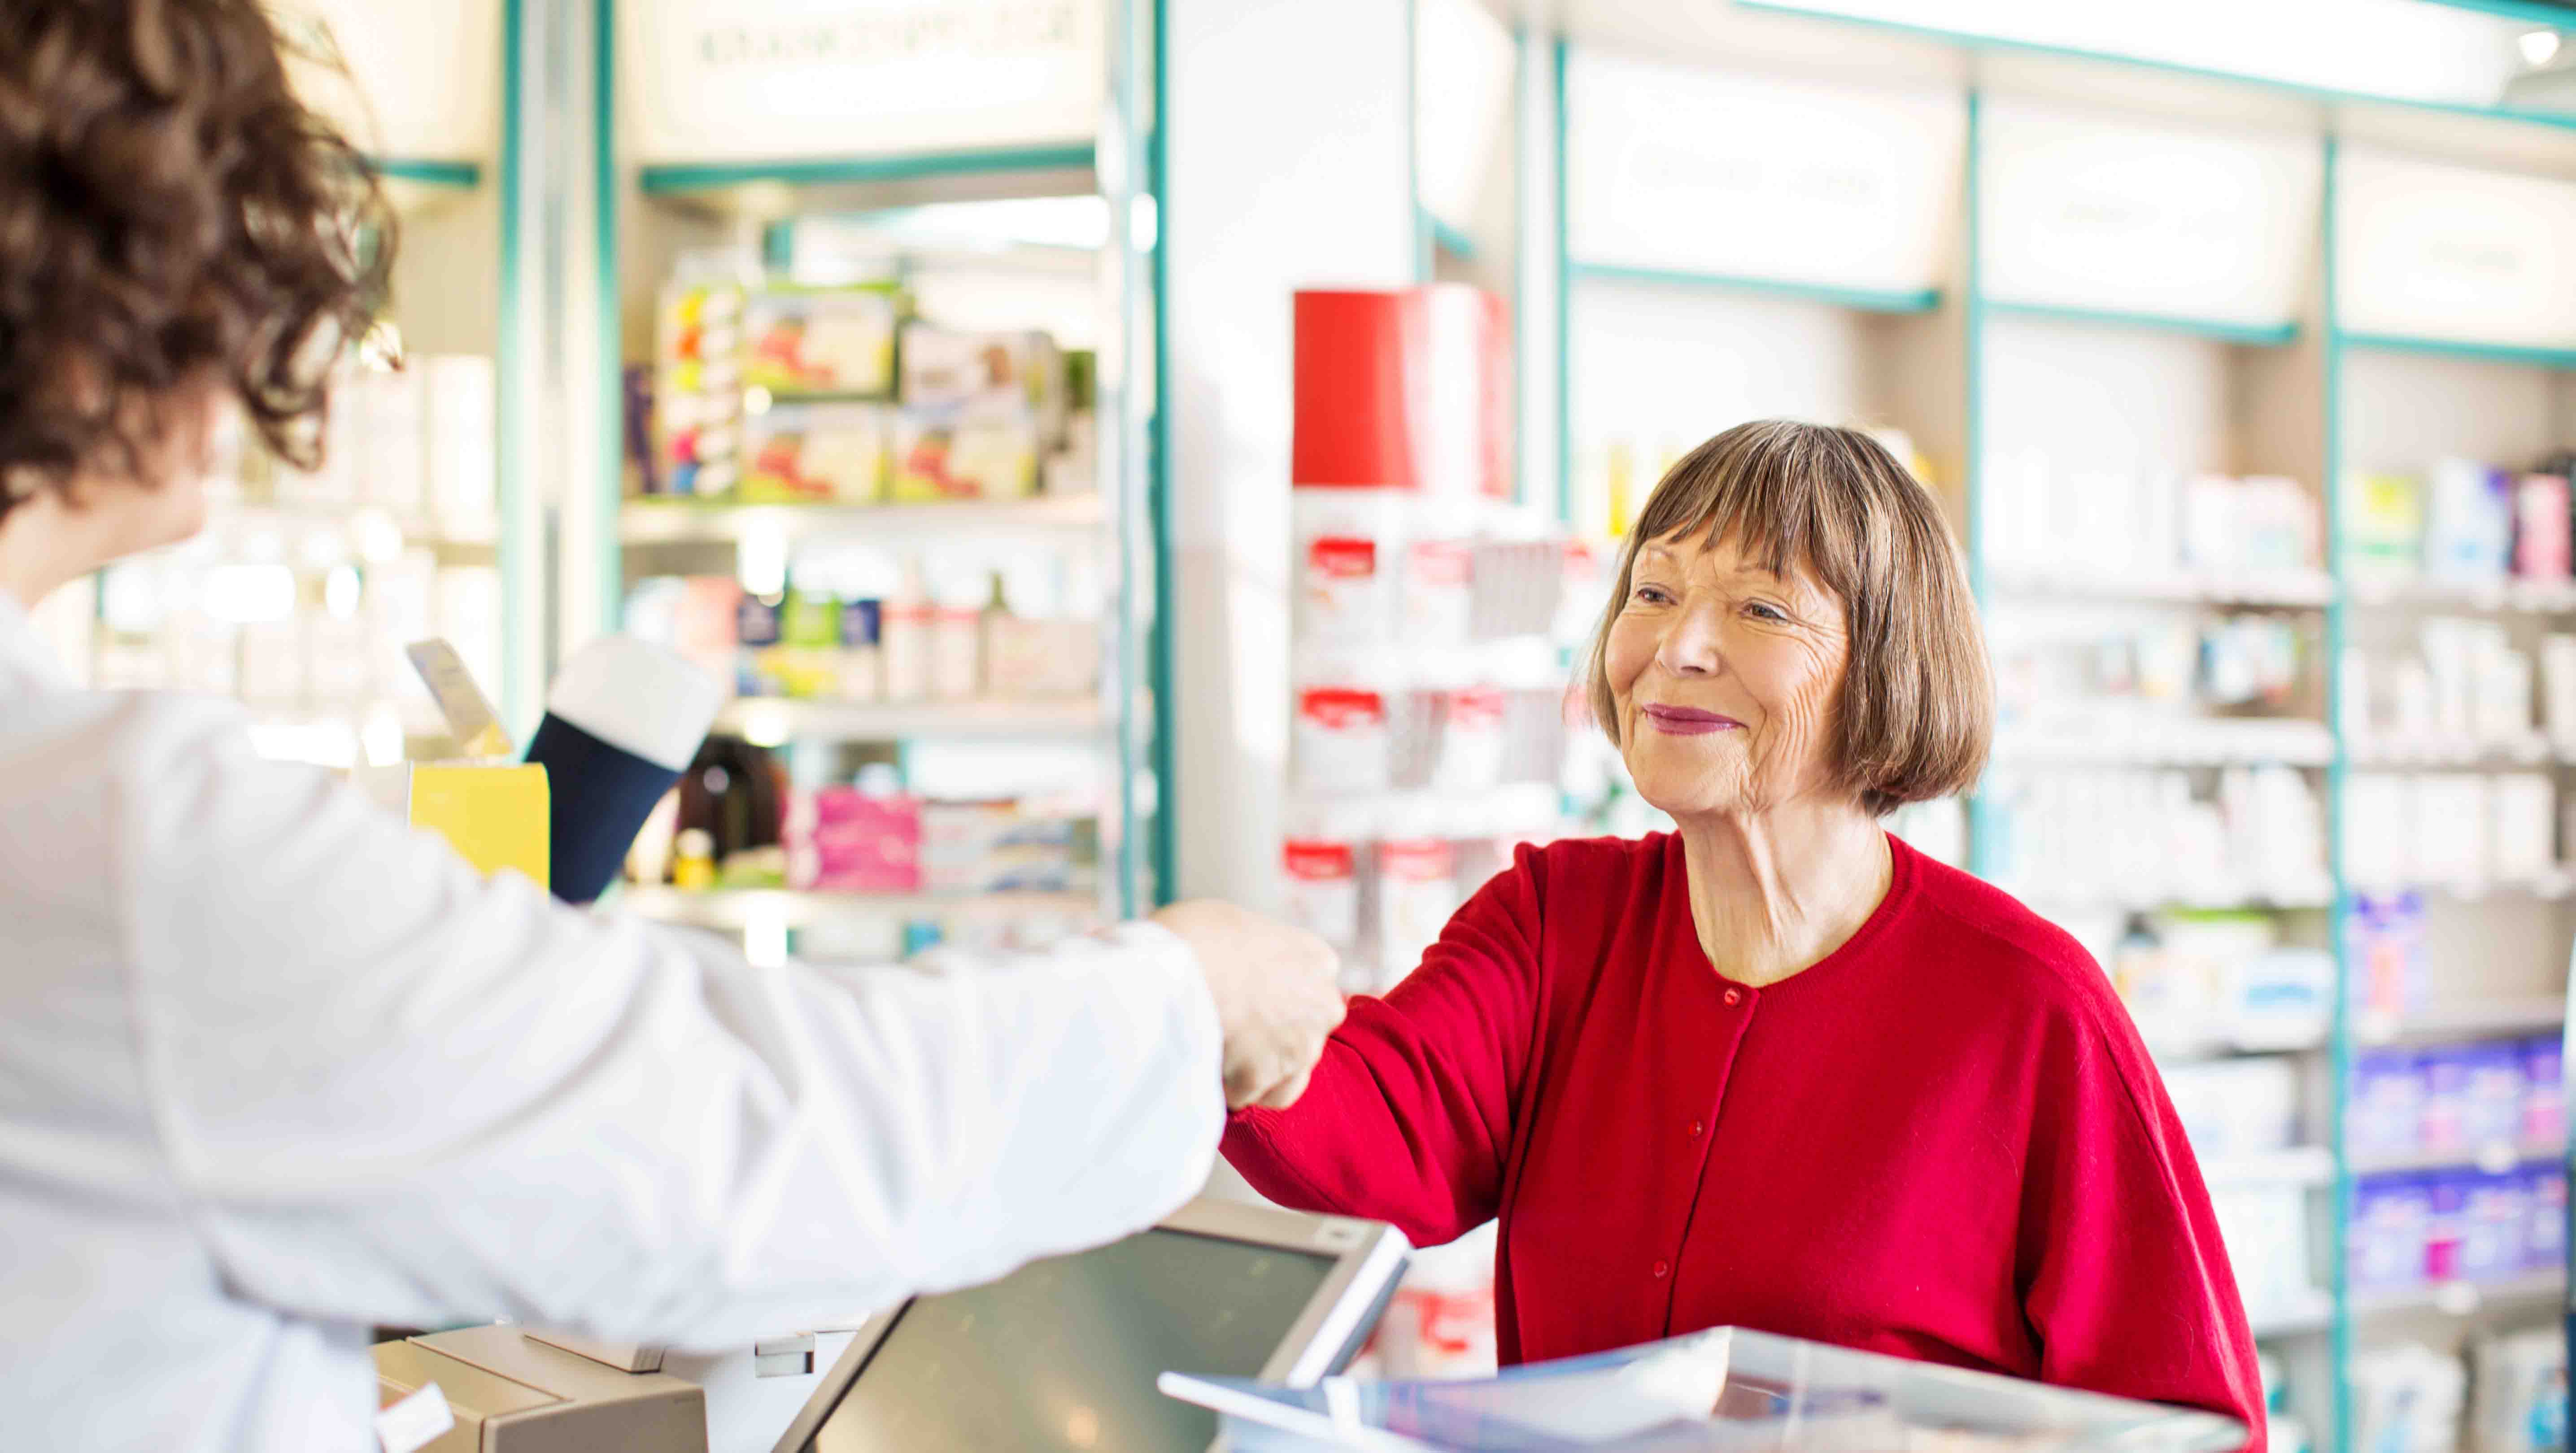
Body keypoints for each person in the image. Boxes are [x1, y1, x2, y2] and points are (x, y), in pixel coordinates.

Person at [0, 4, 1342, 1448]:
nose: (259, 336)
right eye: (228, 261)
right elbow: (736, 1147)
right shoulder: (118, 838)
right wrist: (1183, 995)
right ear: (91, 312)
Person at [1225, 420, 2267, 1446]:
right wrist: (1200, 999)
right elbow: (1364, 1141)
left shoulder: (2029, 1005)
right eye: (1653, 593)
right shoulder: (1557, 923)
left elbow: (2185, 1425)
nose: (1676, 647)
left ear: (1883, 665)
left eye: (1760, 607)